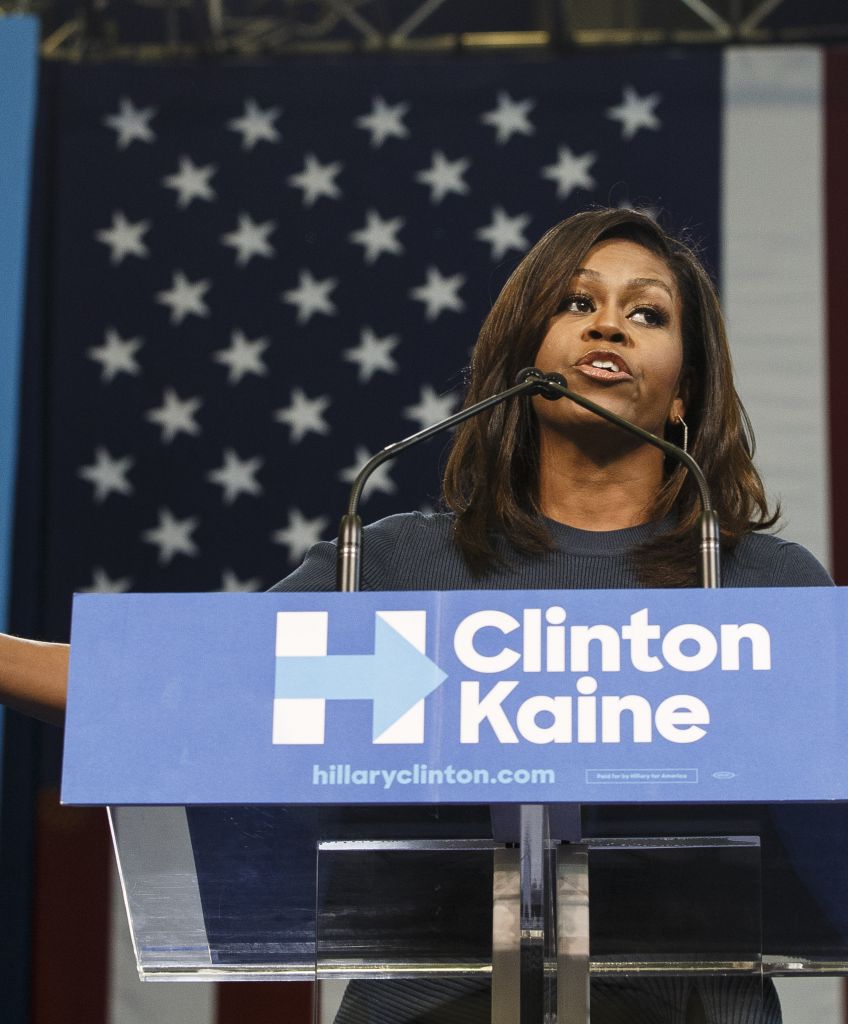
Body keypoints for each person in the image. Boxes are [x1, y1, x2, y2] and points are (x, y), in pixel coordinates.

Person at [0, 207, 833, 1021]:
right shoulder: (399, 566)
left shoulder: (758, 587)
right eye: (577, 303)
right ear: (522, 359)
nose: (606, 328)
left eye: (645, 313)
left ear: (684, 391)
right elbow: (184, 685)